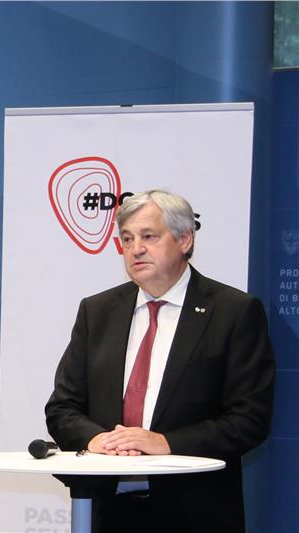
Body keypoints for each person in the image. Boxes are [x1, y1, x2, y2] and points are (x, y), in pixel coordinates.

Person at [45, 190, 275, 532]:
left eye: (149, 236)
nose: (135, 248)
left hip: (195, 514)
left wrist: (166, 443)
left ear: (185, 240)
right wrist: (98, 440)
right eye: (127, 239)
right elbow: (62, 407)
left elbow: (249, 419)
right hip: (108, 512)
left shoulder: (233, 312)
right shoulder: (97, 311)